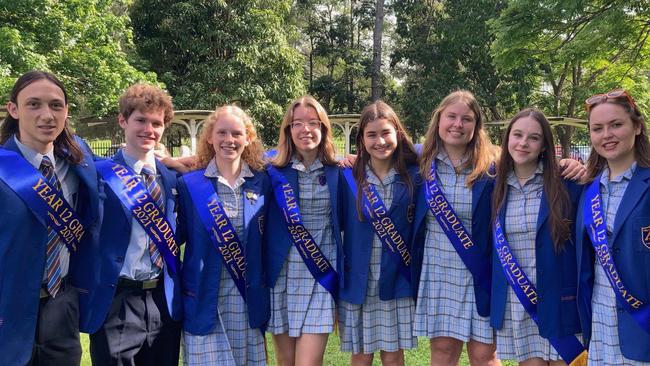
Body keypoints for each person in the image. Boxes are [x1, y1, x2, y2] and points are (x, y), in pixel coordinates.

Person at [74, 83, 182, 365]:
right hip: (116, 300)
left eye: (157, 123)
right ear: (123, 120)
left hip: (162, 300)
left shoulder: (171, 178)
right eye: (141, 120)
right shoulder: (99, 175)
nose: (149, 129)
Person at [0, 70, 100, 366]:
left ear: (67, 111)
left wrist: (166, 161)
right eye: (34, 104)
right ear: (14, 109)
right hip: (8, 308)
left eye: (56, 105)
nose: (47, 115)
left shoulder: (79, 159)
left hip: (62, 304)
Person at [412, 90, 501, 366]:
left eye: (467, 119)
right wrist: (350, 160)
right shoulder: (418, 161)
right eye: (451, 116)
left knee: (484, 355)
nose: (457, 125)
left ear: (476, 126)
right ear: (439, 119)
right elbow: (375, 157)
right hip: (439, 271)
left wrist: (568, 164)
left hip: (480, 273)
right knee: (443, 354)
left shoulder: (494, 165)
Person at [490, 109, 584, 365]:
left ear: (544, 145)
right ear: (507, 138)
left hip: (560, 302)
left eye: (533, 138)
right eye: (517, 135)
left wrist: (578, 167)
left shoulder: (567, 184)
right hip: (520, 302)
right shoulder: (494, 184)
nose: (523, 143)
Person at [177, 105, 270, 365]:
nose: (229, 140)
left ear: (248, 138)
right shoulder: (189, 185)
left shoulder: (263, 182)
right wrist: (167, 160)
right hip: (204, 298)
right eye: (222, 133)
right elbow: (174, 239)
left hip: (246, 299)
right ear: (209, 137)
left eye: (237, 134)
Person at [338, 100, 419, 366]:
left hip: (397, 278)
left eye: (386, 132)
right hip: (359, 278)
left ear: (397, 132)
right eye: (371, 134)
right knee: (360, 356)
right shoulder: (348, 176)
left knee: (393, 357)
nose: (380, 141)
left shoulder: (414, 176)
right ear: (361, 138)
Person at [265, 95, 343, 366]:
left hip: (321, 273)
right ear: (288, 129)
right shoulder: (271, 169)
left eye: (313, 123)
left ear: (323, 128)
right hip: (282, 274)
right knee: (286, 362)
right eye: (297, 123)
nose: (305, 130)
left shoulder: (339, 170)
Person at [577, 89, 650, 365]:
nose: (606, 134)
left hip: (643, 328)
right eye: (598, 128)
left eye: (616, 125)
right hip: (601, 324)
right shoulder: (587, 190)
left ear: (637, 127)